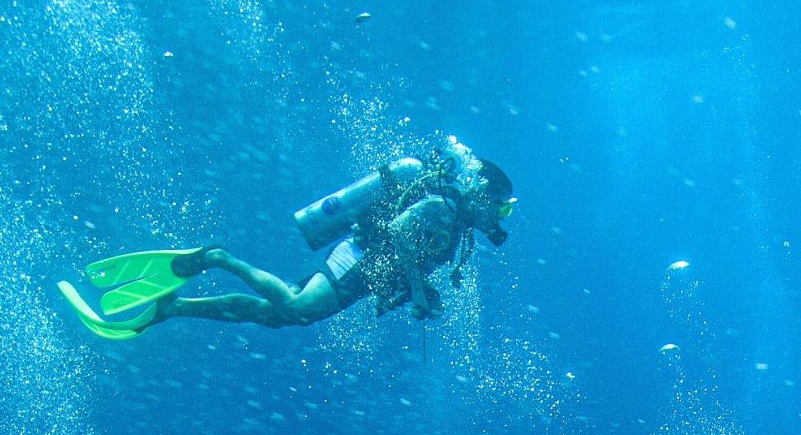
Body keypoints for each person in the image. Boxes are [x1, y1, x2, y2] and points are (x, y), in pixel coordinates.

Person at [60, 137, 515, 338]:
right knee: (298, 308)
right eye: (500, 205)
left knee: (281, 318)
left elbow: (412, 255)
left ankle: (174, 307)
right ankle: (218, 259)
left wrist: (423, 291)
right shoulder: (442, 207)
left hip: (363, 275)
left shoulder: (457, 231)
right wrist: (418, 288)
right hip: (355, 260)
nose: (497, 216)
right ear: (482, 193)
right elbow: (397, 232)